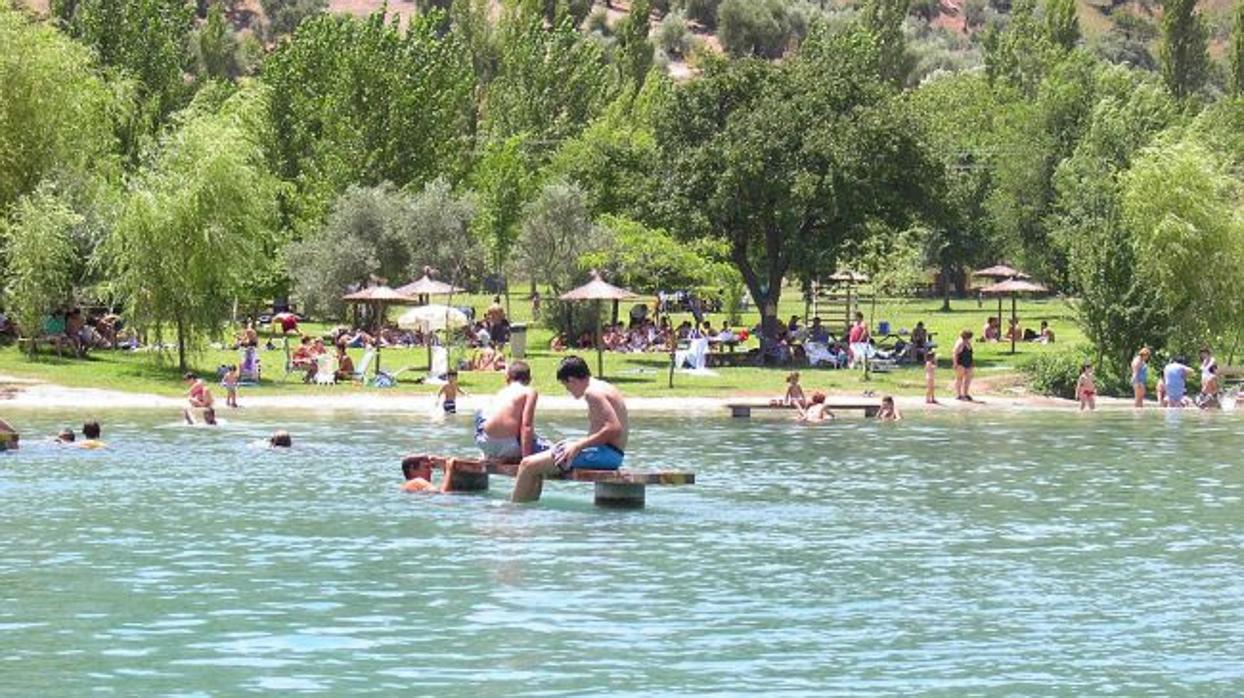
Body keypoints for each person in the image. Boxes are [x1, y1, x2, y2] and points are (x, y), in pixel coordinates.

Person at [512, 356, 627, 503]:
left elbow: (614, 428)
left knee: (527, 465)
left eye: (567, 387)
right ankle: (528, 509)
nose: (569, 391)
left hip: (605, 455)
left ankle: (513, 514)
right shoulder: (603, 387)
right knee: (538, 463)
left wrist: (578, 445)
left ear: (572, 380)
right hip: (611, 454)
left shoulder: (592, 393)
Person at [476, 361, 543, 462]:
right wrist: (526, 460)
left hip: (484, 443)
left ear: (507, 379)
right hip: (509, 446)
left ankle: (491, 456)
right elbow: (527, 426)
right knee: (551, 451)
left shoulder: (500, 393)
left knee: (482, 412)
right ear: (529, 379)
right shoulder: (529, 391)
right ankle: (510, 457)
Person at [953, 330, 974, 401]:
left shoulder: (968, 343)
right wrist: (955, 363)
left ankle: (965, 393)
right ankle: (958, 394)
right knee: (959, 378)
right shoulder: (960, 343)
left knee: (968, 379)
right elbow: (955, 353)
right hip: (961, 363)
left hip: (968, 362)